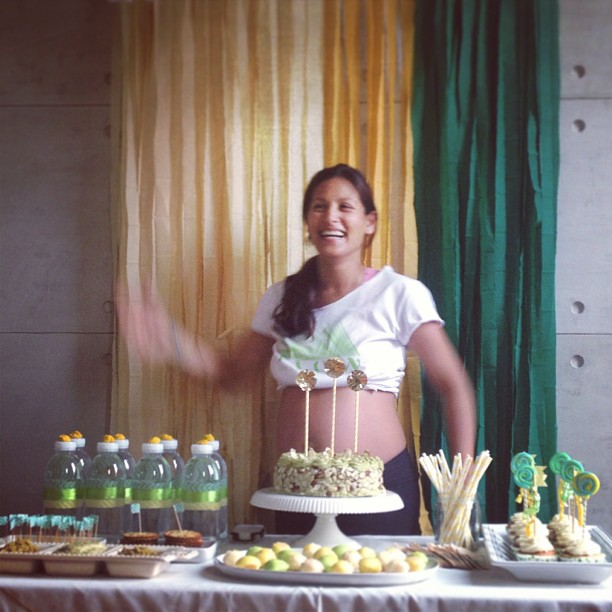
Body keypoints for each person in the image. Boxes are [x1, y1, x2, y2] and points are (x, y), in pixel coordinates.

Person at [118, 163, 476, 535]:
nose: (331, 216)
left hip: (378, 489)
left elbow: (453, 386)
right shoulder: (281, 297)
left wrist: (461, 486)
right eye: (319, 206)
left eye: (345, 206)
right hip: (296, 492)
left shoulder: (399, 293)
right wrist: (170, 340)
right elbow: (231, 374)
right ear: (308, 221)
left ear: (369, 222)